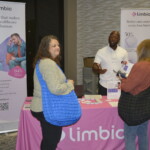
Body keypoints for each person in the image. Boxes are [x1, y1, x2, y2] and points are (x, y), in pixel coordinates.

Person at [30, 35, 74, 150]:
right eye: (53, 46)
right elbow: (55, 89)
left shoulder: (44, 62)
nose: (57, 47)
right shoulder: (48, 63)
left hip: (44, 106)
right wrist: (69, 84)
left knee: (50, 140)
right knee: (51, 141)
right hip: (46, 107)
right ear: (46, 48)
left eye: (58, 45)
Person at [118, 39, 150, 150]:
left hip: (134, 109)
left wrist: (122, 80)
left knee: (130, 136)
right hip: (145, 108)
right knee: (143, 135)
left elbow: (127, 87)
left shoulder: (141, 66)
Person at [92, 31, 128, 95]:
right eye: (111, 37)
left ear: (118, 39)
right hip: (104, 85)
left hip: (118, 85)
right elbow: (95, 64)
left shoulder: (124, 52)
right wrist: (98, 70)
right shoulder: (101, 51)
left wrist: (122, 73)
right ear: (108, 38)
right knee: (103, 104)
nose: (113, 39)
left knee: (117, 104)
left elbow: (126, 66)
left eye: (115, 38)